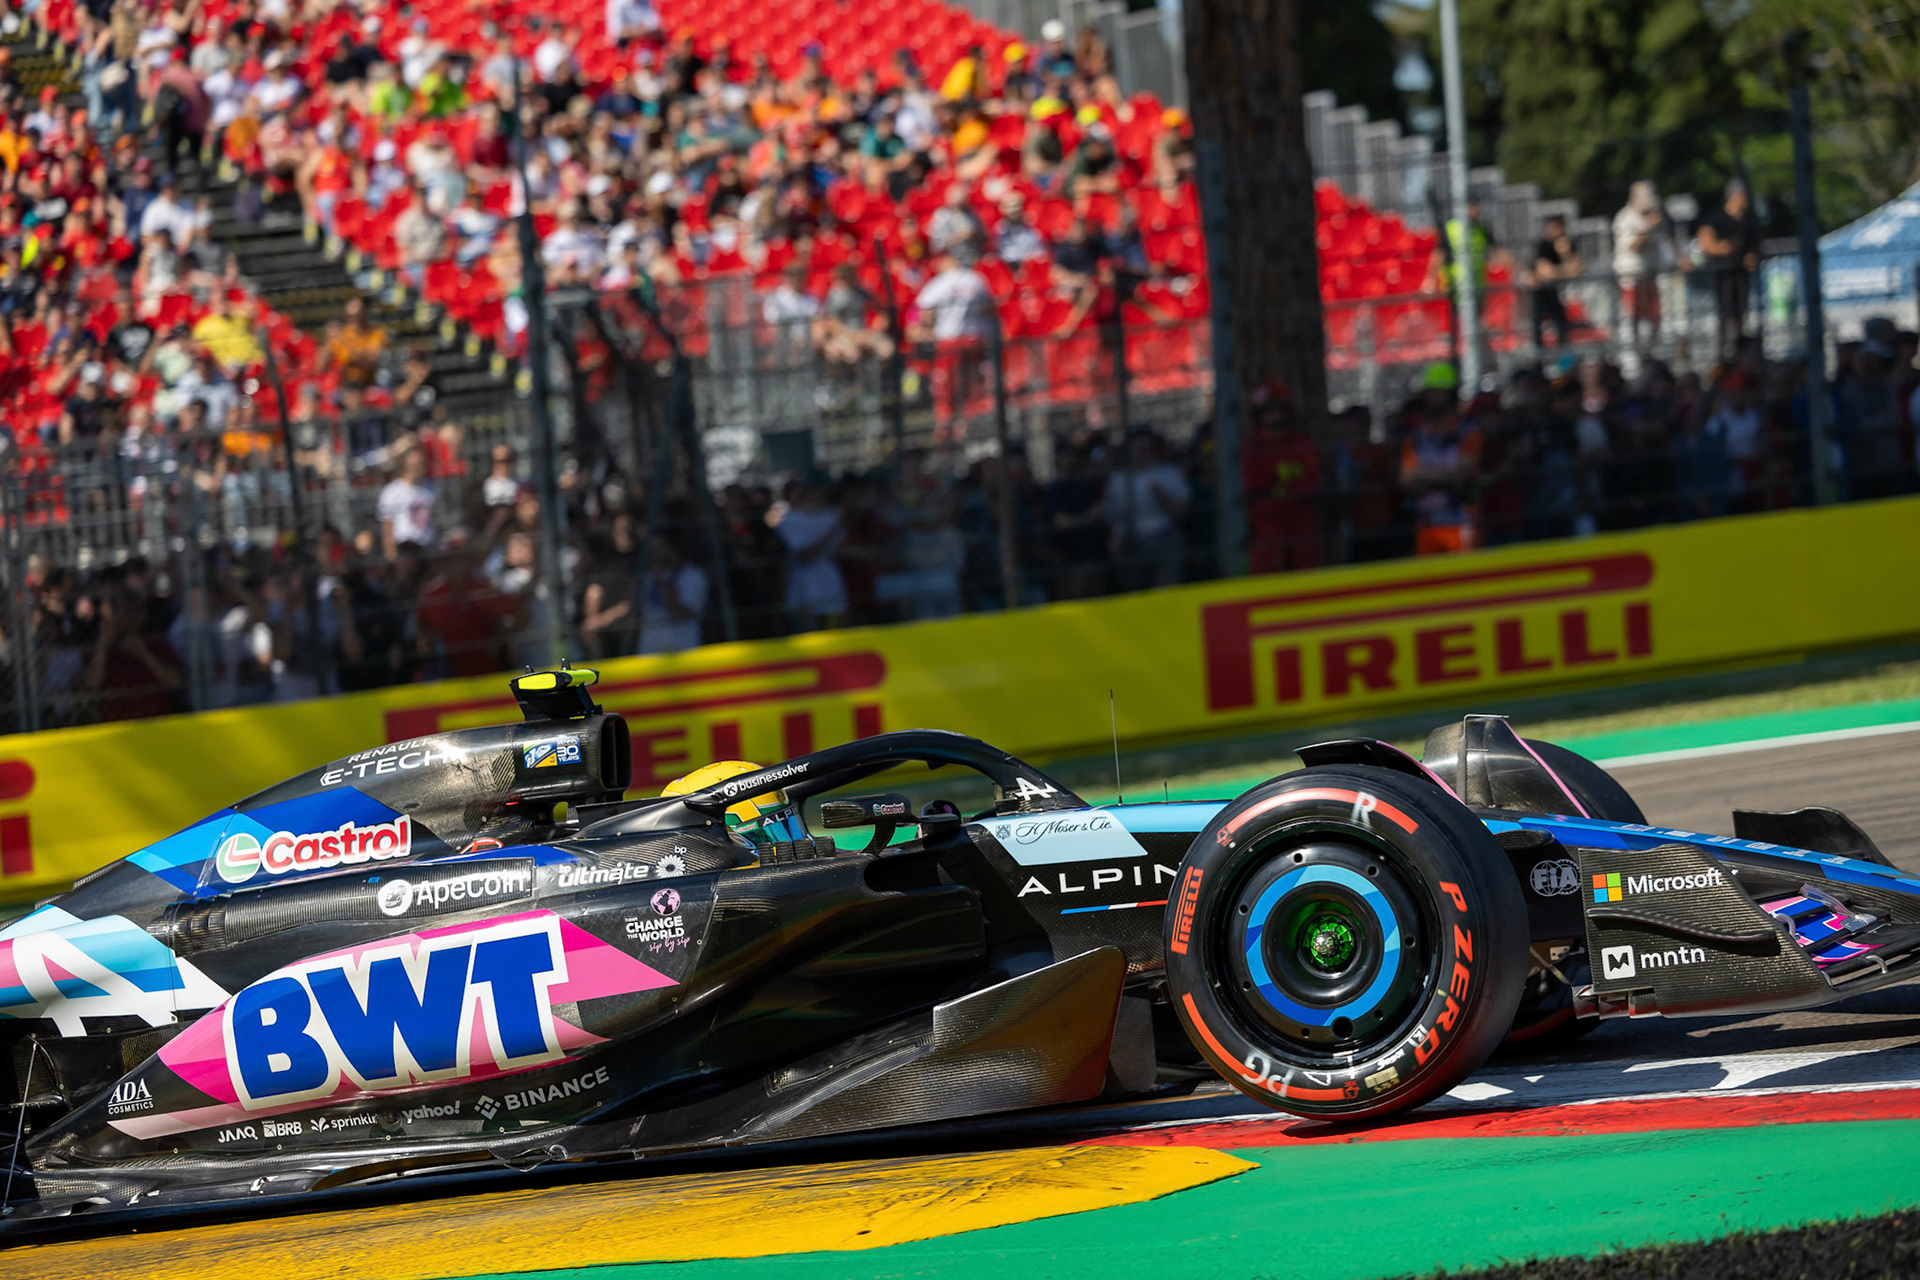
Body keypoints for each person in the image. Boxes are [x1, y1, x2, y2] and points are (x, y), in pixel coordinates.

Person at [1241, 379, 1322, 573]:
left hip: (1299, 521)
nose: (1273, 416)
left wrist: (1279, 476)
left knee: (1305, 569)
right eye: (1268, 411)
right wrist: (1282, 474)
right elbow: (1251, 483)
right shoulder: (1252, 447)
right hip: (1265, 524)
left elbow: (1312, 480)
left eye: (1277, 410)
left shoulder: (1301, 443)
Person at [1106, 429, 1189, 589]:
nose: (1142, 453)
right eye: (1137, 449)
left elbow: (1182, 512)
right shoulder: (1117, 479)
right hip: (1130, 542)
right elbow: (1113, 516)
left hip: (1165, 538)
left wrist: (1161, 496)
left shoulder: (1169, 473)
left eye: (1146, 448)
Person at [1694, 180, 1758, 361]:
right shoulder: (1715, 218)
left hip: (1740, 273)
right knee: (1725, 312)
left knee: (1741, 311)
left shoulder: (1747, 221)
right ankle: (1724, 351)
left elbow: (1752, 247)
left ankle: (1740, 347)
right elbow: (1706, 242)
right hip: (1722, 273)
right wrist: (1725, 248)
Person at [1612, 181, 1673, 355]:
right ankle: (1634, 354)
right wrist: (1647, 228)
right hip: (1631, 276)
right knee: (1632, 316)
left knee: (1655, 314)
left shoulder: (1652, 215)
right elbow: (1631, 246)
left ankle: (1653, 352)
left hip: (1651, 273)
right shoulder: (1625, 218)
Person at [637, 538, 708, 654]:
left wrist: (661, 583)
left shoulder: (693, 576)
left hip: (683, 650)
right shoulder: (648, 578)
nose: (656, 555)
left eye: (660, 549)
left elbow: (680, 614)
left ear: (673, 548)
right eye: (652, 551)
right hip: (649, 653)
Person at [1529, 214, 1582, 350]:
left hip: (1565, 295)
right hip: (1544, 294)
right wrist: (1564, 271)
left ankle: (1565, 353)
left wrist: (1565, 253)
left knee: (1564, 328)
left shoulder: (1567, 244)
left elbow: (1577, 268)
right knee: (1539, 328)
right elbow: (1544, 272)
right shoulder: (1543, 245)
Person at [377, 447, 437, 560]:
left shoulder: (430, 487)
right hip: (405, 549)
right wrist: (391, 555)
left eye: (421, 463)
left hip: (427, 547)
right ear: (405, 465)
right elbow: (387, 528)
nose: (418, 467)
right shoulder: (391, 492)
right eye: (414, 464)